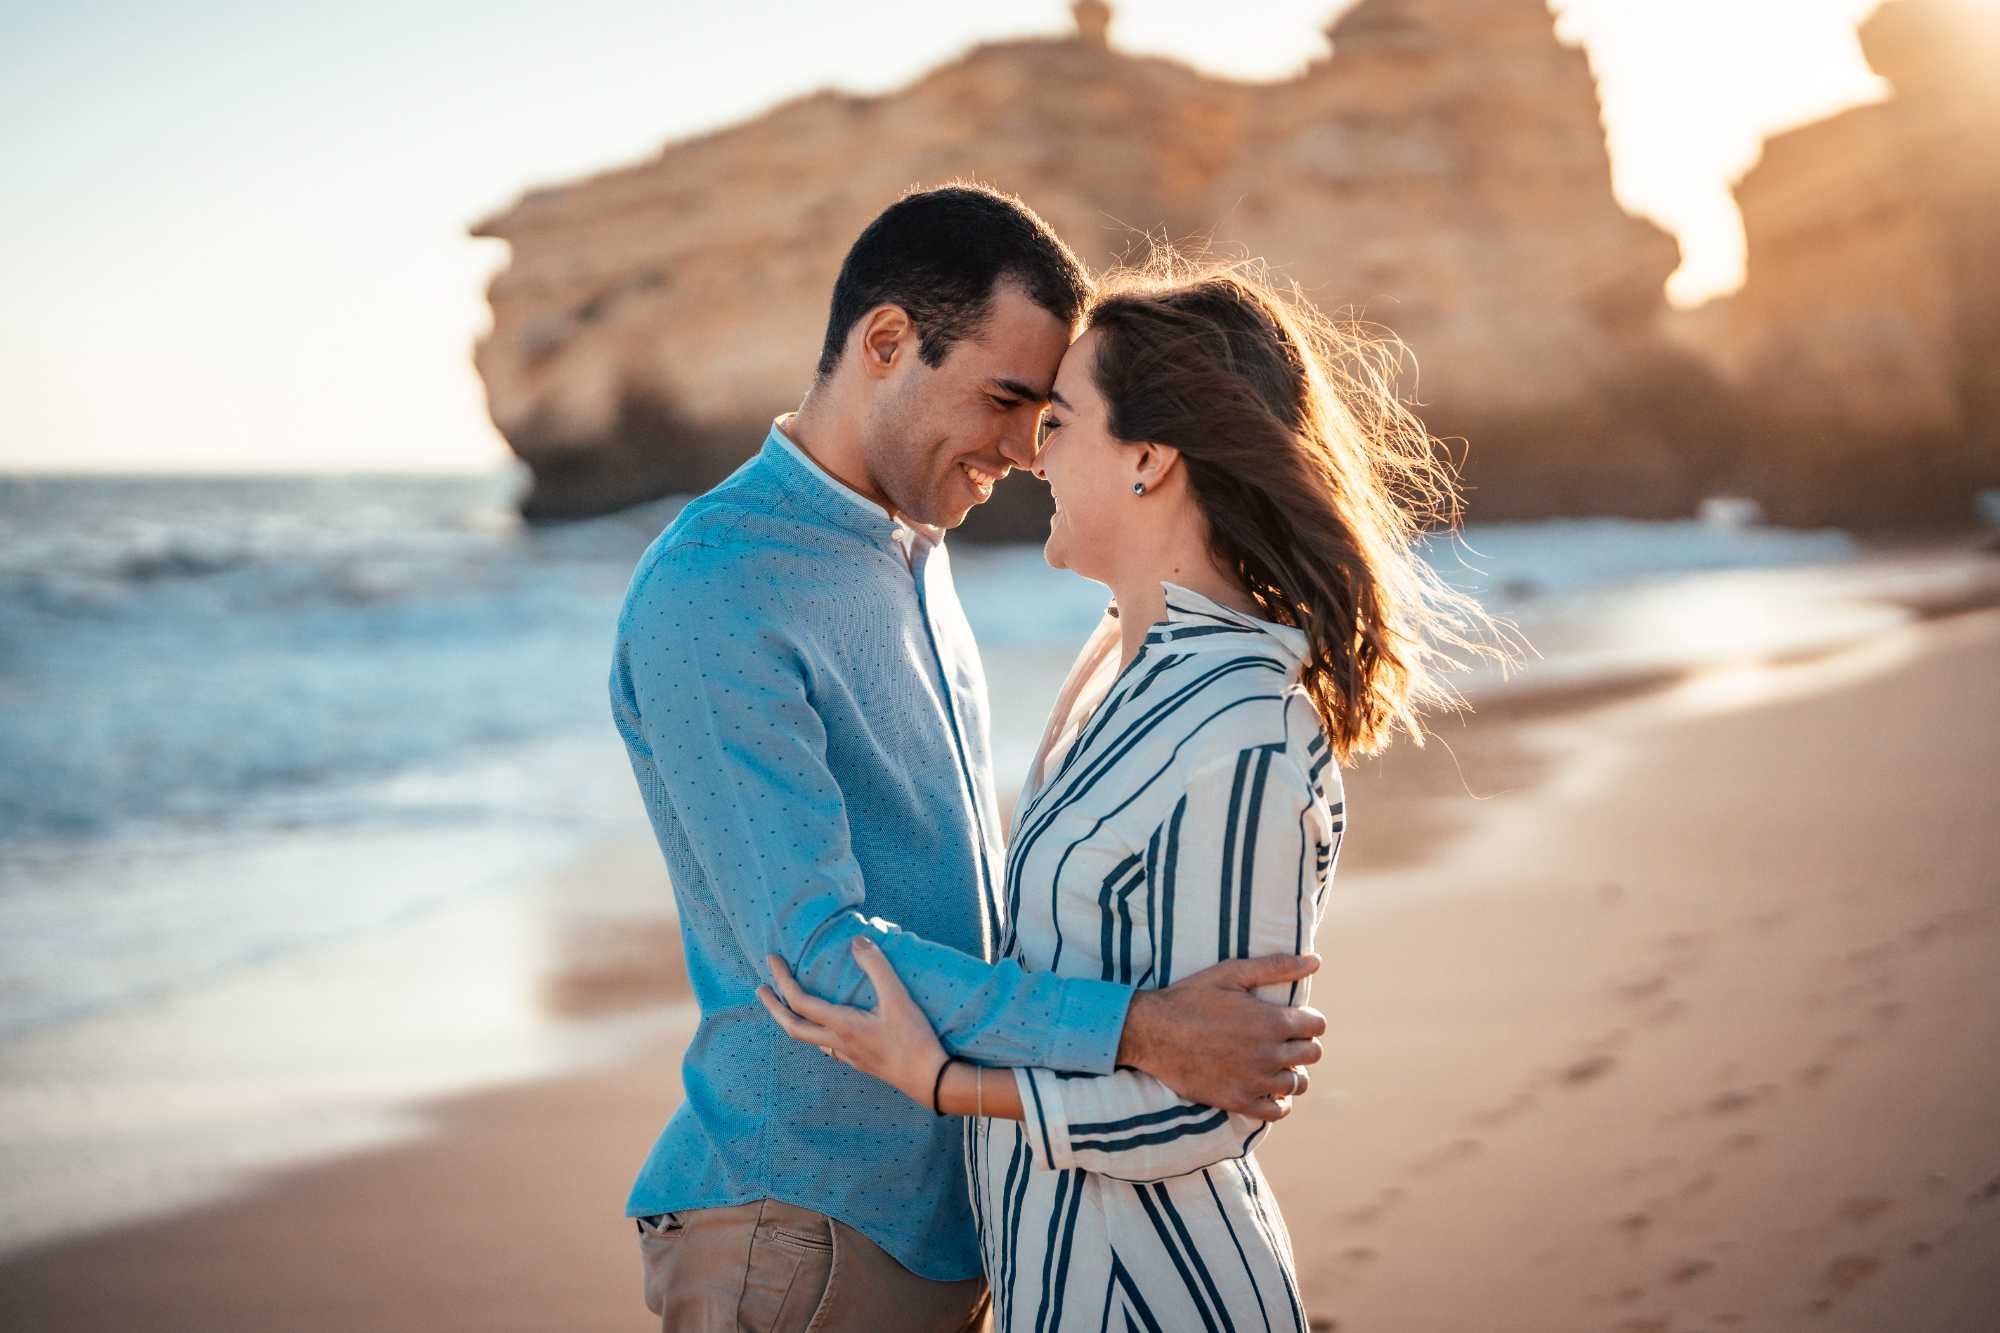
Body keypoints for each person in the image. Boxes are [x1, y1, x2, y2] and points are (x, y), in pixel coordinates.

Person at [608, 186, 1329, 1332]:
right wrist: (1137, 1031)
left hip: (962, 1221)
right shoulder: (718, 587)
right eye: (1003, 400)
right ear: (885, 343)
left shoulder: (911, 547)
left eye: (1044, 412)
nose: (1021, 448)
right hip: (803, 1226)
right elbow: (816, 960)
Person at [758, 255, 1504, 1331]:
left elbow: (1208, 1109)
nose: (1027, 452)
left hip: (1151, 1295)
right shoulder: (1114, 665)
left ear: (1148, 459)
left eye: (1056, 421)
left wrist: (942, 1081)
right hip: (1053, 1278)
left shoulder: (1242, 724)